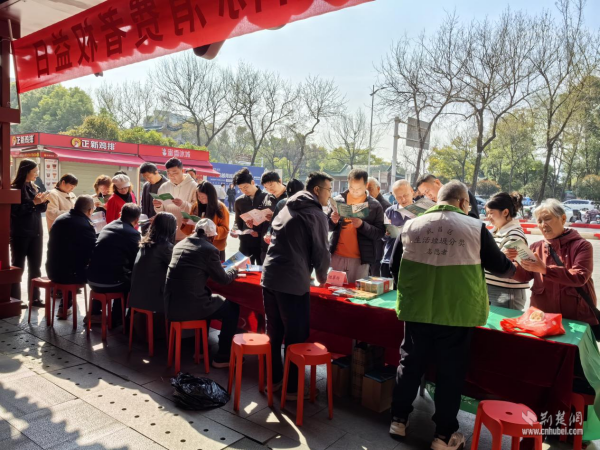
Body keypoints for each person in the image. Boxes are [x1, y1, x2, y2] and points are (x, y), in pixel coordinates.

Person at [388, 181, 515, 449]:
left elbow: (393, 266)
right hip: (457, 313)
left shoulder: (411, 225)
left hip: (417, 310)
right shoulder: (475, 228)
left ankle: (398, 420)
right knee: (450, 374)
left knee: (409, 365)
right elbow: (502, 267)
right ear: (463, 202)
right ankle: (443, 436)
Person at [262, 172, 332, 398]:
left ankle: (273, 380)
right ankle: (292, 389)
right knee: (296, 335)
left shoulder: (287, 205)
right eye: (329, 190)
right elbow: (321, 250)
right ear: (317, 190)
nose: (330, 195)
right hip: (292, 280)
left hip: (270, 276)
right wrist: (322, 277)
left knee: (274, 332)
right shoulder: (315, 213)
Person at [164, 219, 240, 368]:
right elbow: (223, 279)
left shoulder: (180, 244)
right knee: (232, 308)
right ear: (212, 237)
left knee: (210, 301)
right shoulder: (209, 249)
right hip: (191, 304)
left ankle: (200, 349)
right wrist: (235, 270)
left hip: (171, 303)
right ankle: (223, 356)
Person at [511, 199, 597, 325]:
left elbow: (580, 276)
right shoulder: (536, 247)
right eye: (539, 221)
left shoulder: (582, 245)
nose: (543, 224)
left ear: (563, 219)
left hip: (576, 317)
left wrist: (545, 270)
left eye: (547, 219)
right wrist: (511, 263)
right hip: (543, 317)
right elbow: (525, 276)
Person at [87, 203, 142, 324]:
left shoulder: (108, 226)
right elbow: (136, 261)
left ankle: (94, 313)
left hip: (91, 280)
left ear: (120, 214)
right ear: (137, 220)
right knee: (132, 282)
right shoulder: (133, 234)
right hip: (111, 283)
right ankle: (117, 318)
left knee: (108, 270)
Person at [329, 169, 385, 283]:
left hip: (360, 259)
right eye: (351, 187)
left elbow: (379, 233)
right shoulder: (339, 201)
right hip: (336, 256)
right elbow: (327, 227)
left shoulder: (375, 206)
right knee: (333, 289)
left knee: (357, 291)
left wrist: (362, 225)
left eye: (358, 188)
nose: (354, 191)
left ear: (366, 185)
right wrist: (333, 221)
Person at [46, 195, 97, 316]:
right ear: (90, 210)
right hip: (70, 275)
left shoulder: (60, 219)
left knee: (70, 260)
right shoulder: (85, 224)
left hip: (51, 270)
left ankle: (64, 307)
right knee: (101, 273)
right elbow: (93, 249)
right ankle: (95, 312)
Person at [10, 159, 50, 306]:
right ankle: (14, 298)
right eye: (35, 171)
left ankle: (35, 298)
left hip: (36, 232)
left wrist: (43, 201)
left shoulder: (34, 186)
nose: (37, 174)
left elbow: (40, 209)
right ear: (26, 171)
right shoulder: (15, 188)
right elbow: (15, 211)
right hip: (20, 233)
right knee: (18, 266)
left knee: (35, 266)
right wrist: (33, 203)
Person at [485, 192, 529, 310]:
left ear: (505, 212)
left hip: (506, 293)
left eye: (491, 213)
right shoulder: (494, 232)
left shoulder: (514, 235)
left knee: (503, 322)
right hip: (493, 290)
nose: (488, 217)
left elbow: (501, 265)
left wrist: (494, 257)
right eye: (487, 213)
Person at [128, 212, 177, 316]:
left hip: (136, 296)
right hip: (151, 299)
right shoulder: (165, 247)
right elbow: (179, 268)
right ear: (170, 228)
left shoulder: (146, 243)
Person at [230, 168, 270, 264]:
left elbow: (271, 223)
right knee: (243, 269)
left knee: (262, 269)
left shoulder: (267, 198)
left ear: (252, 182)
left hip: (262, 243)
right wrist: (234, 230)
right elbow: (237, 221)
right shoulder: (239, 201)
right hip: (245, 243)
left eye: (246, 187)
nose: (244, 190)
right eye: (240, 188)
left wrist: (259, 233)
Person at [153, 158, 197, 242]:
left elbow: (197, 210)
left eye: (175, 172)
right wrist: (158, 206)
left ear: (182, 171)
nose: (171, 176)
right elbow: (160, 211)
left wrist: (183, 204)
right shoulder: (164, 187)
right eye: (168, 173)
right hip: (167, 233)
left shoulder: (194, 186)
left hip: (187, 234)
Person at [381, 180, 414, 279]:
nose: (403, 199)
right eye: (398, 197)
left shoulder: (421, 211)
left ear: (412, 191)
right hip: (390, 258)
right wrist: (386, 233)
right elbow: (383, 238)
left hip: (412, 260)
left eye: (405, 195)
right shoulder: (389, 211)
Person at [191, 181, 230, 261]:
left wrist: (210, 228)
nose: (200, 199)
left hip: (215, 248)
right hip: (198, 246)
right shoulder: (196, 206)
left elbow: (225, 230)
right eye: (198, 196)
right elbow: (190, 228)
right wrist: (187, 222)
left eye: (203, 197)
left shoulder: (221, 208)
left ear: (211, 195)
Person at [264, 179, 305, 246]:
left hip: (285, 243)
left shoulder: (282, 203)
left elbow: (273, 224)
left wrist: (269, 234)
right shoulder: (311, 204)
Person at [367, 177, 392, 276]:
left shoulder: (386, 206)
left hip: (378, 251)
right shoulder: (365, 203)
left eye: (370, 189)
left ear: (378, 188)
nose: (367, 192)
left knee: (375, 279)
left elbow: (387, 232)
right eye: (365, 190)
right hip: (366, 250)